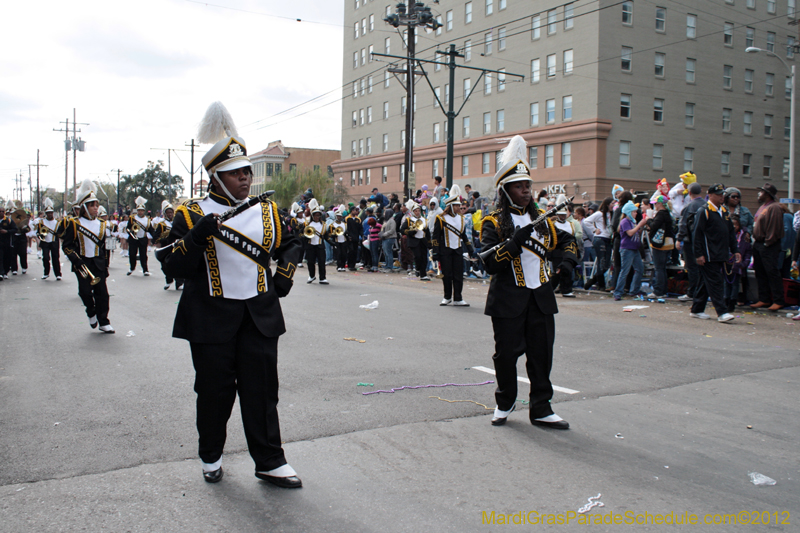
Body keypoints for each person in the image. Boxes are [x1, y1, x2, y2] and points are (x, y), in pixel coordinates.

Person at [158, 102, 303, 487]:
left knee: (262, 393)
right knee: (214, 394)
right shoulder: (190, 214)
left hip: (258, 316)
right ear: (216, 177)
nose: (244, 178)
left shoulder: (267, 210)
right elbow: (172, 266)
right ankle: (211, 454)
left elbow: (291, 245)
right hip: (209, 318)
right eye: (235, 173)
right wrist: (196, 236)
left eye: (246, 172)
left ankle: (270, 459)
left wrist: (283, 280)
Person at [480, 135, 570, 430]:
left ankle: (541, 408)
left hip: (541, 299)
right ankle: (504, 402)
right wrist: (514, 242)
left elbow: (567, 242)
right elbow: (490, 262)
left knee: (542, 356)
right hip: (508, 300)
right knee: (506, 357)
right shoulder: (492, 222)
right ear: (506, 190)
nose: (526, 191)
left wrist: (567, 263)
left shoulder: (543, 219)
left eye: (528, 185)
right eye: (519, 186)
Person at [61, 179, 115, 333]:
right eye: (92, 205)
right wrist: (76, 260)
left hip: (98, 263)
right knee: (85, 292)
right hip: (82, 263)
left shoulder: (103, 224)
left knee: (102, 294)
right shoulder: (74, 223)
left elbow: (106, 246)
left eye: (96, 204)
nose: (96, 208)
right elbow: (66, 246)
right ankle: (91, 312)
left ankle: (104, 321)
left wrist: (106, 264)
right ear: (84, 207)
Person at [690, 184, 740, 322]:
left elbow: (730, 233)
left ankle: (697, 309)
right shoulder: (704, 211)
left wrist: (735, 249)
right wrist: (699, 254)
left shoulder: (723, 211)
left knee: (704, 282)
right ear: (710, 195)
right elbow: (697, 234)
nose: (721, 197)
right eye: (718, 194)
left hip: (720, 253)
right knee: (716, 282)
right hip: (708, 254)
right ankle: (722, 312)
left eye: (722, 194)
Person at [432, 185, 473, 306]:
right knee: (447, 275)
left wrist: (469, 247)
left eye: (458, 205)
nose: (459, 207)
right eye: (456, 205)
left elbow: (463, 235)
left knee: (458, 275)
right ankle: (447, 296)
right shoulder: (441, 218)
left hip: (458, 250)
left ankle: (458, 298)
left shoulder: (461, 219)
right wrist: (435, 252)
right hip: (445, 250)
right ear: (450, 206)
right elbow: (435, 237)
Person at [750, 184, 785, 311]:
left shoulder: (774, 207)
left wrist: (767, 243)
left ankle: (778, 300)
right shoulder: (762, 207)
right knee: (760, 272)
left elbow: (774, 228)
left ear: (768, 194)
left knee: (772, 272)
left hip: (768, 244)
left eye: (762, 192)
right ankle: (764, 299)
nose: (759, 194)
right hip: (758, 243)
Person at [613, 201, 647, 301]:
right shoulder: (625, 221)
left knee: (640, 269)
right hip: (627, 249)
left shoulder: (632, 222)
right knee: (625, 271)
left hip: (634, 248)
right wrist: (639, 225)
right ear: (628, 212)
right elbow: (630, 233)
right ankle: (618, 292)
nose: (636, 214)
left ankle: (634, 290)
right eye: (634, 212)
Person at [645, 195, 674, 298]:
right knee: (663, 268)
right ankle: (664, 291)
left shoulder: (661, 214)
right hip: (668, 243)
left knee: (659, 268)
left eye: (656, 203)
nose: (655, 205)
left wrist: (648, 220)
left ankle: (658, 291)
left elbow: (654, 226)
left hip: (660, 244)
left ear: (660, 204)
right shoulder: (668, 214)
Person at [549, 195, 578, 298]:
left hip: (567, 250)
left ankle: (566, 289)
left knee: (568, 269)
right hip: (556, 251)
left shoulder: (571, 224)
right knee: (557, 271)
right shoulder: (553, 224)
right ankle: (551, 288)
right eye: (560, 215)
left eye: (564, 214)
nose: (562, 216)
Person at [583, 197, 613, 291]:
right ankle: (601, 284)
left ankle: (592, 281)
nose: (613, 205)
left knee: (607, 264)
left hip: (608, 239)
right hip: (600, 238)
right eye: (612, 203)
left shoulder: (612, 214)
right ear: (607, 204)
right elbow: (586, 221)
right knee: (601, 262)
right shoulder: (600, 213)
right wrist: (594, 229)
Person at [400, 201, 431, 280]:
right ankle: (417, 268)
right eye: (415, 211)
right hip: (414, 241)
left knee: (424, 257)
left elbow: (427, 232)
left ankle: (423, 274)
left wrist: (429, 242)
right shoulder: (409, 220)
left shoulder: (424, 220)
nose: (417, 212)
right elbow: (402, 230)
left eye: (418, 211)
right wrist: (412, 231)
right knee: (418, 256)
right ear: (413, 212)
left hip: (422, 241)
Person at [727, 215, 752, 311]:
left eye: (736, 225)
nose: (733, 227)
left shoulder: (744, 237)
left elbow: (748, 252)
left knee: (735, 284)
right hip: (726, 264)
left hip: (738, 266)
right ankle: (726, 300)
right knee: (726, 284)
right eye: (731, 224)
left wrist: (744, 264)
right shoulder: (725, 234)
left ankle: (732, 302)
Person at [35, 198, 62, 280]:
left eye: (50, 213)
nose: (49, 214)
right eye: (48, 213)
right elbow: (38, 233)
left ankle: (58, 274)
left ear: (52, 213)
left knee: (55, 258)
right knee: (46, 258)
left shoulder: (58, 222)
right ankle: (46, 273)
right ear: (46, 213)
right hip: (45, 242)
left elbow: (61, 233)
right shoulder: (42, 222)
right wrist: (41, 235)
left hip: (54, 242)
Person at [303, 199, 328, 284]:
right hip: (310, 245)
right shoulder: (308, 224)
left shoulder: (324, 224)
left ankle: (322, 278)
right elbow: (303, 234)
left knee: (321, 262)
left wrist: (332, 242)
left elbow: (326, 236)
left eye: (318, 215)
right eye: (315, 215)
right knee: (310, 262)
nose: (317, 217)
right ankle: (311, 275)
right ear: (312, 216)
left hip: (320, 245)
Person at [127, 196, 153, 276]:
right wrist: (131, 233)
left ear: (144, 211)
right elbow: (128, 228)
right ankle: (132, 268)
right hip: (133, 239)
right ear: (137, 211)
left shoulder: (147, 220)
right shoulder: (132, 218)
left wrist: (155, 238)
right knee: (132, 254)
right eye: (139, 210)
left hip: (143, 239)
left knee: (143, 255)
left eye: (142, 211)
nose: (140, 212)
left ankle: (145, 270)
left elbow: (150, 229)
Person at [328, 206, 348, 272]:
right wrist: (334, 234)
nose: (339, 217)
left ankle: (343, 265)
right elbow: (329, 234)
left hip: (344, 240)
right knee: (338, 254)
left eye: (340, 216)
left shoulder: (344, 224)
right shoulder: (332, 224)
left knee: (344, 253)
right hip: (337, 240)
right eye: (338, 216)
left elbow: (347, 232)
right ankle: (339, 266)